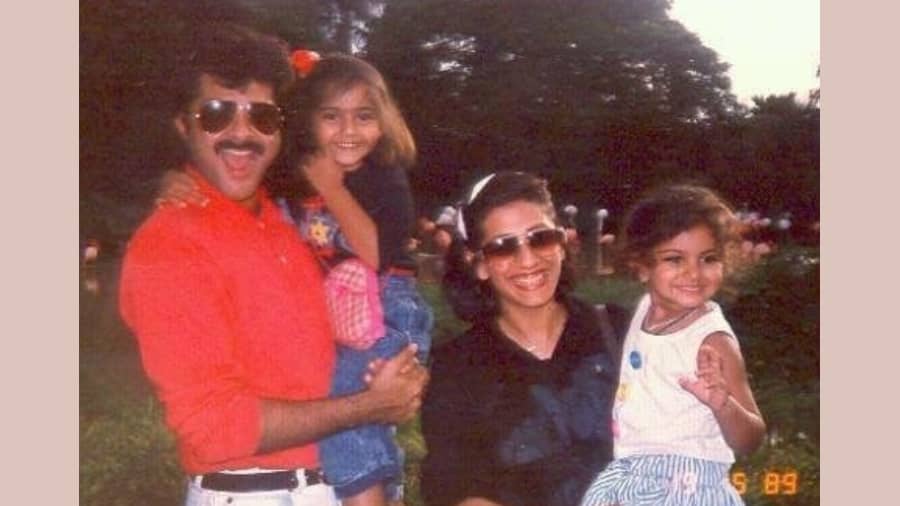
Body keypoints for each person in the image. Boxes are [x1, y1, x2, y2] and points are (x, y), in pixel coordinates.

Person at [118, 23, 427, 506]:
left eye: (261, 116)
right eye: (217, 114)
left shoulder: (287, 216)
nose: (241, 133)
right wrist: (369, 405)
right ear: (184, 125)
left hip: (340, 488)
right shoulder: (169, 244)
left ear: (282, 128)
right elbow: (214, 427)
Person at [276, 52, 434, 506]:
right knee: (351, 409)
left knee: (346, 401)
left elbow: (375, 256)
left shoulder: (384, 177)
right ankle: (388, 490)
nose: (348, 131)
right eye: (332, 117)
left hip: (390, 310)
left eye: (363, 116)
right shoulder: (295, 176)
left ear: (382, 122)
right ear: (309, 122)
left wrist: (333, 188)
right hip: (343, 314)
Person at [420, 171, 629, 506]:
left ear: (561, 244)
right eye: (503, 247)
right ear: (479, 264)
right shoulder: (457, 367)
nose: (528, 259)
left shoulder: (620, 332)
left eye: (540, 238)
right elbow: (454, 481)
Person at [580, 184, 766, 506]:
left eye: (708, 258)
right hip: (631, 473)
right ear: (642, 267)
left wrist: (723, 404)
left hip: (685, 486)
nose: (693, 273)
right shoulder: (643, 311)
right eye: (674, 259)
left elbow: (751, 438)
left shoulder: (712, 342)